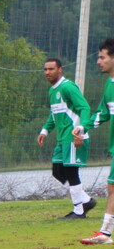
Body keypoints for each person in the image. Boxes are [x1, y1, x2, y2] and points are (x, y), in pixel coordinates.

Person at [38, 57, 95, 220]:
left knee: (70, 172)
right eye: (45, 69)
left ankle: (79, 211)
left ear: (60, 70)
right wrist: (45, 130)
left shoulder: (68, 87)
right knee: (57, 171)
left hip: (73, 137)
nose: (47, 72)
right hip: (62, 139)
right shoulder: (52, 91)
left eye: (51, 69)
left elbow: (85, 108)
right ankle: (86, 200)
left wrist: (81, 131)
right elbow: (54, 114)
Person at [78, 38, 114, 243]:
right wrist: (83, 127)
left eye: (102, 57)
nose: (98, 61)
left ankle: (105, 233)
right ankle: (105, 233)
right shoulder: (109, 85)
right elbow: (102, 113)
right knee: (113, 187)